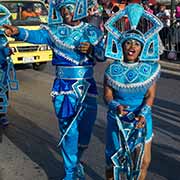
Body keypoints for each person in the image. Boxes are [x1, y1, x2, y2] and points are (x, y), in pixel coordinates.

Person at [3, 0, 105, 179]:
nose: (66, 12)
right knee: (69, 131)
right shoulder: (54, 31)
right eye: (64, 9)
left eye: (70, 8)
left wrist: (91, 48)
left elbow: (102, 55)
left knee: (85, 134)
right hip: (64, 89)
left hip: (88, 88)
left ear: (79, 9)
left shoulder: (92, 32)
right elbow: (36, 36)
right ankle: (70, 172)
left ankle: (76, 161)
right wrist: (18, 31)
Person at [103, 4, 163, 180]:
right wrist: (116, 106)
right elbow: (107, 95)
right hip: (118, 119)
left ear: (142, 48)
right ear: (121, 46)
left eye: (136, 43)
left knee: (143, 162)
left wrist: (144, 113)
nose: (132, 46)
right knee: (114, 163)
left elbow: (150, 96)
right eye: (128, 42)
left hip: (142, 119)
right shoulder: (112, 69)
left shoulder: (150, 70)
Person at [0, 4, 18, 127]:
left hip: (2, 69)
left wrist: (9, 51)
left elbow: (6, 12)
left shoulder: (2, 38)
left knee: (3, 90)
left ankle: (2, 115)